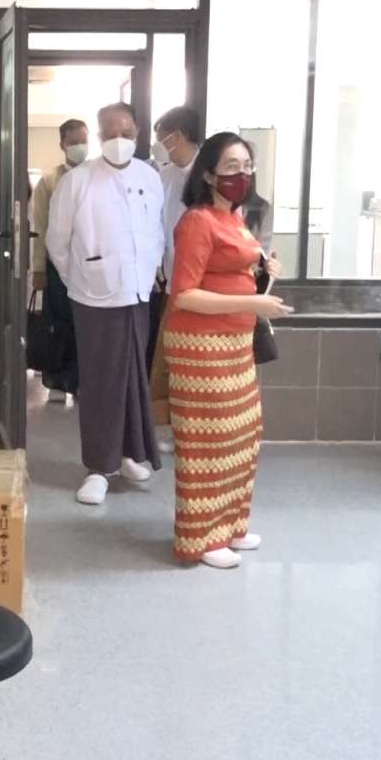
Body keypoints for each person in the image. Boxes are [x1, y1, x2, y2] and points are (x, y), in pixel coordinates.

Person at [164, 132, 294, 569]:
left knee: (242, 435)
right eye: (232, 168)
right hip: (200, 348)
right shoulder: (197, 221)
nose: (242, 175)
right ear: (208, 175)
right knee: (209, 443)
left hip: (234, 344)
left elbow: (231, 275)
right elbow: (184, 295)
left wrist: (263, 273)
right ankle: (200, 537)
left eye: (247, 167)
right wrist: (253, 304)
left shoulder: (233, 217)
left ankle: (231, 525)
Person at [47, 101, 165, 505]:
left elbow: (157, 233)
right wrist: (81, 278)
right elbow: (57, 243)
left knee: (133, 377)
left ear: (138, 133)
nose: (119, 140)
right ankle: (98, 467)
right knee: (100, 382)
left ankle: (128, 454)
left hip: (138, 293)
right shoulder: (77, 181)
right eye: (110, 134)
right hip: (94, 297)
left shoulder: (150, 177)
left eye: (126, 133)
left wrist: (149, 273)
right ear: (99, 136)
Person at [148, 107, 204, 452]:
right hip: (172, 283)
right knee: (168, 359)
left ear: (178, 136)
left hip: (203, 288)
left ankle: (193, 431)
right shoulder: (164, 176)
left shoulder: (209, 177)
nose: (159, 145)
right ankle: (170, 427)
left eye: (162, 138)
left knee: (195, 362)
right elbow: (158, 225)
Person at [31, 118, 89, 402]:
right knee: (59, 324)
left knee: (85, 325)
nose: (80, 147)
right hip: (57, 265)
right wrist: (38, 267)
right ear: (63, 145)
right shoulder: (50, 180)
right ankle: (56, 383)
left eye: (84, 141)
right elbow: (39, 226)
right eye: (73, 142)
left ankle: (81, 383)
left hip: (89, 264)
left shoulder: (95, 175)